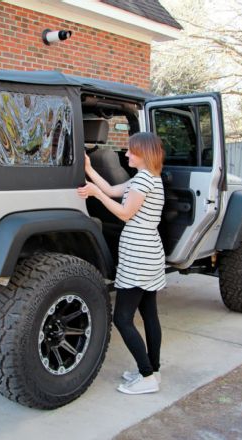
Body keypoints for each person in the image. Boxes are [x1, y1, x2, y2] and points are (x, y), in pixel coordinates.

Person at [77, 132, 166, 395]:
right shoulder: (147, 178)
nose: (126, 155)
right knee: (149, 314)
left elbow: (124, 213)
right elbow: (112, 190)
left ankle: (147, 376)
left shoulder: (143, 183)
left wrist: (94, 195)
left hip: (139, 255)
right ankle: (153, 370)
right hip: (147, 252)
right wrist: (89, 169)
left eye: (130, 151)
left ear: (144, 154)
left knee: (123, 318)